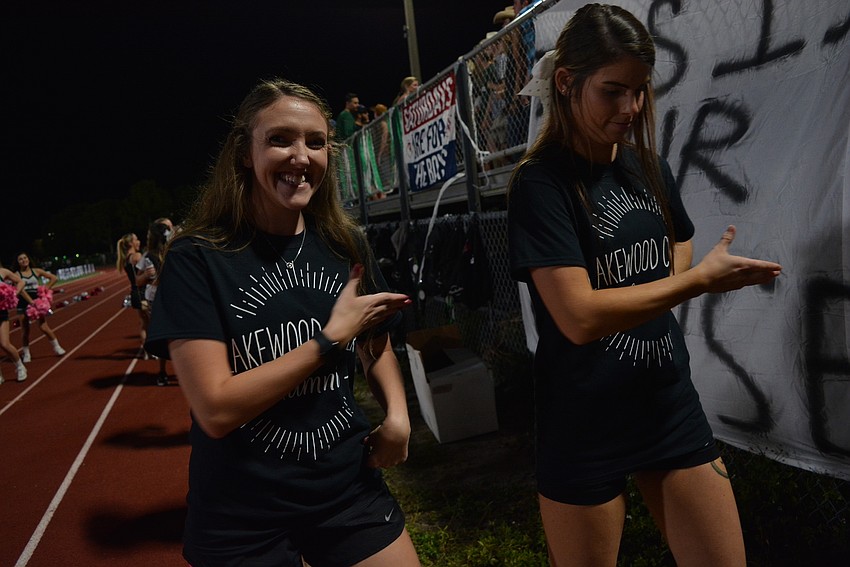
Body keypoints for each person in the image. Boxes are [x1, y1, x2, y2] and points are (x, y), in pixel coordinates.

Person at [507, 5, 782, 566]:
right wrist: (695, 283)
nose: (631, 108)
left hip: (667, 404)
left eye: (639, 91)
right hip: (584, 420)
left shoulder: (646, 165)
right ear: (567, 81)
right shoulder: (541, 184)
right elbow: (579, 317)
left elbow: (680, 238)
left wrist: (676, 279)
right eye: (612, 91)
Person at [144, 77, 420, 567]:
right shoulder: (197, 258)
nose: (301, 156)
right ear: (244, 154)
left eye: (315, 142)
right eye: (280, 139)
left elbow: (373, 341)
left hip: (346, 491)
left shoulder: (343, 243)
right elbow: (216, 409)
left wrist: (397, 416)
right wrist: (328, 340)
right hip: (242, 513)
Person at [137, 221, 171, 385]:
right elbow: (137, 281)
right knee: (164, 335)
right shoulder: (147, 256)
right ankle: (162, 371)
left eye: (149, 235)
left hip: (174, 296)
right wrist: (145, 276)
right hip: (155, 299)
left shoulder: (173, 251)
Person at [15, 252, 66, 362]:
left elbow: (54, 278)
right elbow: (21, 291)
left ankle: (57, 347)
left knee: (44, 327)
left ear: (28, 259)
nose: (23, 260)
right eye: (20, 259)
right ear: (18, 262)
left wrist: (45, 289)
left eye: (25, 258)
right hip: (23, 303)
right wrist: (30, 301)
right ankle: (26, 354)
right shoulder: (17, 275)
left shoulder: (36, 271)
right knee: (25, 330)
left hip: (37, 302)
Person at [116, 232, 150, 355]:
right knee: (151, 323)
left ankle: (146, 352)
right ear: (131, 243)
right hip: (143, 293)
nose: (139, 241)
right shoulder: (137, 256)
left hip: (135, 293)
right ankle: (154, 350)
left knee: (143, 324)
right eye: (136, 239)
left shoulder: (125, 259)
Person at [0, 263, 30, 384]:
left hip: (1, 312)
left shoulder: (2, 272)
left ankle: (20, 366)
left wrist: (14, 293)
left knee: (4, 344)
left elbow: (20, 281)